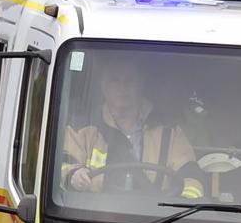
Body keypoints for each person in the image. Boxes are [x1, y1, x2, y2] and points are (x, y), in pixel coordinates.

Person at [60, 58, 206, 200]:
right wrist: (74, 173)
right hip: (92, 217)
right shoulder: (82, 127)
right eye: (114, 80)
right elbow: (60, 165)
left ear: (141, 84)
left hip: (155, 219)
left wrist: (185, 206)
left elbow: (191, 175)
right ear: (103, 86)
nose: (122, 87)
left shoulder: (169, 130)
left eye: (130, 80)